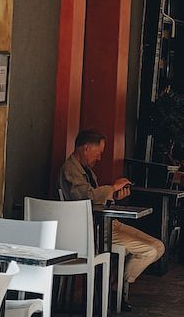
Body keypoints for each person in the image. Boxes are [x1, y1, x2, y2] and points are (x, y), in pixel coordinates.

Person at [59, 130, 165, 312]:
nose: (99, 158)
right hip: (93, 230)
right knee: (150, 250)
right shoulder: (70, 170)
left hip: (108, 223)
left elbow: (97, 200)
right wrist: (112, 187)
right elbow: (85, 197)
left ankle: (114, 284)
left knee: (158, 246)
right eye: (98, 152)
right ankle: (116, 288)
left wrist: (114, 194)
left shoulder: (86, 171)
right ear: (86, 148)